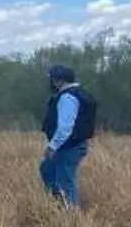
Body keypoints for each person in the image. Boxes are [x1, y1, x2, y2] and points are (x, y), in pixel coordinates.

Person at [39, 65, 98, 210]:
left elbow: (65, 127)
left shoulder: (67, 97)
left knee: (65, 180)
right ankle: (59, 205)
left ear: (59, 81)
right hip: (72, 145)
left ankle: (70, 214)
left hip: (69, 146)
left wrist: (53, 146)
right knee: (47, 169)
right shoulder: (76, 93)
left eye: (52, 79)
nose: (51, 83)